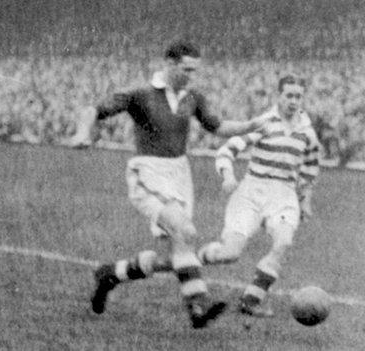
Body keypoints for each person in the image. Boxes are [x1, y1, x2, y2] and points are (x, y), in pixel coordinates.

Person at [66, 41, 272, 328]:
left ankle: (111, 274)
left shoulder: (193, 97)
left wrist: (251, 125)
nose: (190, 75)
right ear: (169, 63)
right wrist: (81, 133)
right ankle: (198, 305)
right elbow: (93, 109)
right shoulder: (141, 93)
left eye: (194, 71)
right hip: (148, 172)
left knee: (171, 256)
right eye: (186, 69)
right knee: (184, 231)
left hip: (179, 174)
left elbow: (217, 127)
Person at [197, 74, 320, 317]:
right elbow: (227, 150)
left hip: (284, 195)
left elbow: (310, 168)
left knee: (283, 243)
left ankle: (251, 300)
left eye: (298, 96)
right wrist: (229, 176)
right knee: (230, 253)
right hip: (252, 191)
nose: (293, 101)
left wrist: (305, 198)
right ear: (278, 96)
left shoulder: (307, 132)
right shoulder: (263, 123)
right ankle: (194, 260)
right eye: (289, 96)